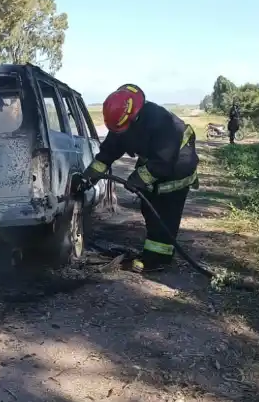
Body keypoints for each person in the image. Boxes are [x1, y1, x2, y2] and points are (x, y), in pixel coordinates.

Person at [82, 84, 200, 274]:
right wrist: (88, 177)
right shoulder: (122, 122)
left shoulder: (161, 123)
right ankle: (154, 251)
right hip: (157, 160)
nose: (119, 133)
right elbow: (107, 154)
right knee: (149, 208)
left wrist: (137, 179)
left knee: (165, 212)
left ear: (134, 116)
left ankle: (158, 260)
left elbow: (163, 161)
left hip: (179, 165)